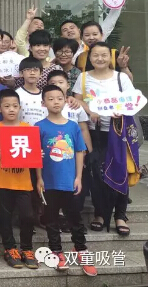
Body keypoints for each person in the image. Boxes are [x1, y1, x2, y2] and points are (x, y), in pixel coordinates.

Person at [73, 42, 134, 235]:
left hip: (118, 132)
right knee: (97, 174)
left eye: (104, 55)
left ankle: (120, 215)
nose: (100, 58)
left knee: (120, 171)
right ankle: (100, 214)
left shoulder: (120, 77)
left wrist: (120, 110)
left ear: (110, 57)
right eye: (96, 55)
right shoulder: (83, 77)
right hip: (93, 132)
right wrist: (90, 110)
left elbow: (131, 100)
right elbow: (76, 99)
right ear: (89, 58)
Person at [36, 85, 96, 276]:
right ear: (43, 103)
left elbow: (79, 151)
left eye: (59, 98)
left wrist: (78, 177)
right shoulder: (38, 126)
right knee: (51, 218)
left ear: (65, 101)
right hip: (49, 182)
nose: (55, 102)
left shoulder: (72, 126)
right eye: (50, 99)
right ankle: (56, 251)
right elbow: (36, 156)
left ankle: (81, 248)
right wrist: (39, 178)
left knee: (75, 217)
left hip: (70, 181)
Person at [0, 89, 38, 269]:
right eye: (7, 106)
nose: (11, 109)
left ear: (20, 108)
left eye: (15, 106)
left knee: (27, 216)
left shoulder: (28, 128)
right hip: (3, 181)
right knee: (5, 217)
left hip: (24, 182)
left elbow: (35, 156)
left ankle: (27, 248)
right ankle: (10, 248)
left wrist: (38, 156)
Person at [15, 57, 47, 126]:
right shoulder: (17, 94)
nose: (32, 73)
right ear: (21, 73)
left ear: (41, 73)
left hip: (42, 131)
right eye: (28, 70)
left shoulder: (45, 95)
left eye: (35, 70)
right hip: (22, 131)